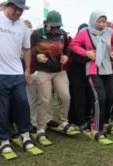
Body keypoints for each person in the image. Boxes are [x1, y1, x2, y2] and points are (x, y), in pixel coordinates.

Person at [0, 0, 34, 153]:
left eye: (21, 9)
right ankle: (3, 139)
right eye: (15, 8)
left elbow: (27, 49)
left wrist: (28, 69)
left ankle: (25, 134)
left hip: (17, 72)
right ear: (8, 5)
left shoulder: (23, 26)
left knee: (22, 102)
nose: (17, 12)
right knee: (0, 107)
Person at [70, 10, 113, 139]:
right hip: (93, 68)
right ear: (93, 20)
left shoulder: (109, 31)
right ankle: (96, 127)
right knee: (100, 97)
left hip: (107, 68)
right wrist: (86, 53)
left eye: (103, 22)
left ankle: (105, 122)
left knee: (110, 97)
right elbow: (73, 45)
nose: (101, 24)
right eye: (99, 21)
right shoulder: (84, 32)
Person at [31, 10, 73, 140]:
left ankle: (63, 122)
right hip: (43, 71)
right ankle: (41, 127)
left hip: (59, 71)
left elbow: (67, 48)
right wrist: (36, 55)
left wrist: (66, 55)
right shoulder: (37, 34)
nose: (55, 30)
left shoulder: (62, 34)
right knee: (44, 99)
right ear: (46, 23)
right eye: (53, 27)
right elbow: (28, 50)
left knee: (65, 96)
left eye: (58, 27)